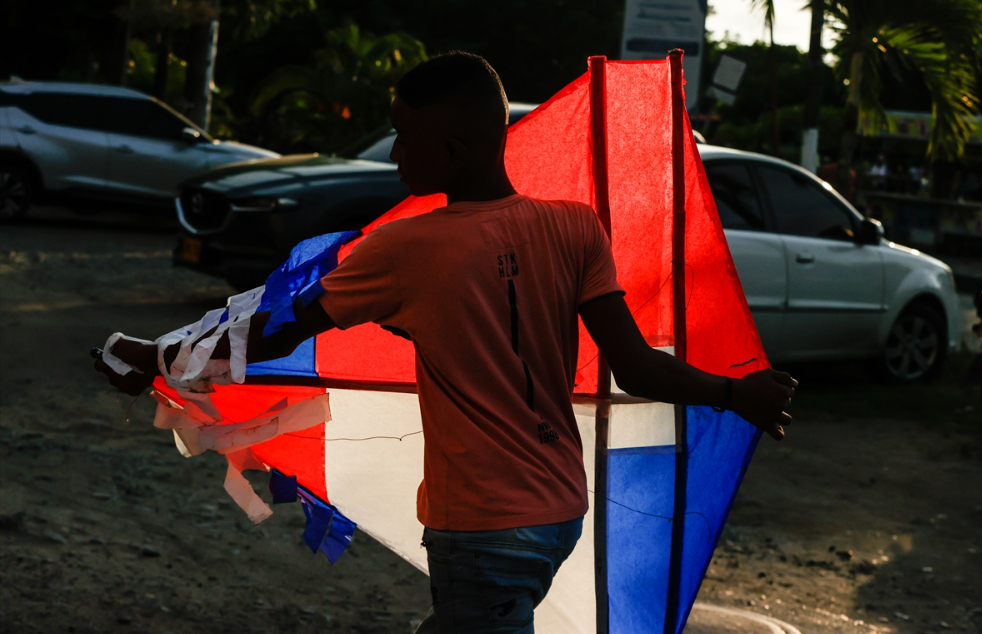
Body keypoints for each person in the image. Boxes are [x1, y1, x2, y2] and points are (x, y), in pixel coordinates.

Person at [94, 52, 796, 634]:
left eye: (405, 137)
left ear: (452, 153)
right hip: (558, 511)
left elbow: (272, 331)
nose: (395, 152)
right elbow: (639, 367)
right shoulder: (577, 227)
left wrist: (156, 356)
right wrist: (737, 393)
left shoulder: (409, 248)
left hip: (483, 526)